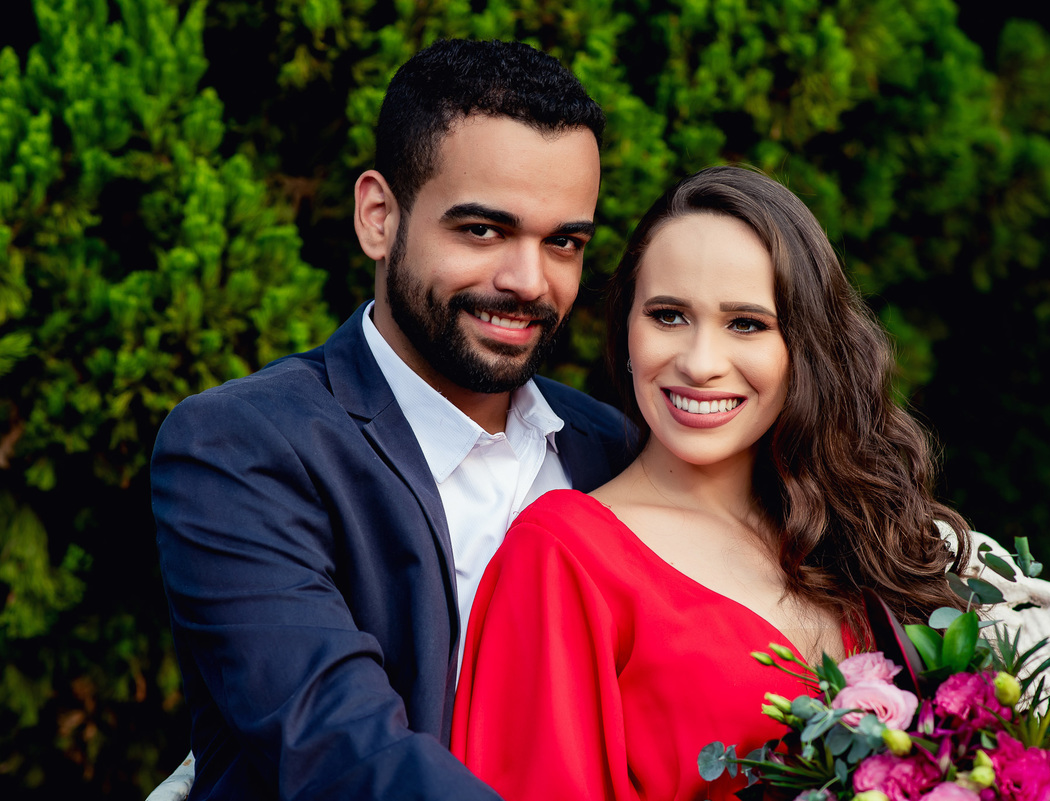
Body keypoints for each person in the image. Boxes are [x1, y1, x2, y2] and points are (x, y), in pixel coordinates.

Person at [151, 39, 635, 800]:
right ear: (378, 216)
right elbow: (342, 752)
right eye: (482, 230)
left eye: (563, 242)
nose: (528, 281)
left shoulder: (614, 450)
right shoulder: (241, 448)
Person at [450, 166, 971, 801]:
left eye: (746, 323)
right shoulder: (562, 555)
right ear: (627, 330)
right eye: (668, 316)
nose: (700, 364)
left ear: (804, 346)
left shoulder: (852, 533)